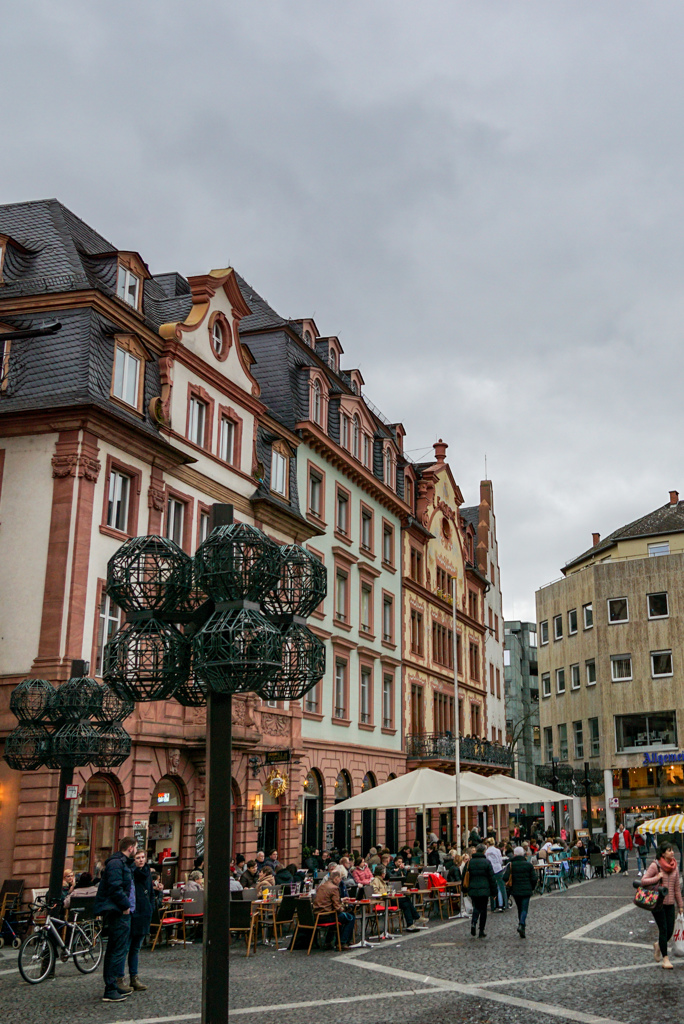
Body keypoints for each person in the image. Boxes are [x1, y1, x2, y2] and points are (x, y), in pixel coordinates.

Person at [94, 836, 137, 1003]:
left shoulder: (122, 863)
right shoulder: (116, 863)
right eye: (136, 847)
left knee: (117, 949)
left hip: (119, 910)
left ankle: (113, 986)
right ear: (131, 847)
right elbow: (115, 887)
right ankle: (110, 988)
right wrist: (125, 905)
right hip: (117, 911)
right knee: (115, 950)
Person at [641, 841, 684, 969]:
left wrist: (680, 906)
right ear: (663, 853)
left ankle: (658, 945)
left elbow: (677, 888)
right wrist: (657, 877)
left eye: (672, 850)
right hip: (658, 903)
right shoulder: (656, 866)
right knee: (663, 929)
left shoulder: (674, 867)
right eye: (669, 850)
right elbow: (644, 881)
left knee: (670, 930)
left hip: (670, 903)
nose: (672, 852)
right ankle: (666, 959)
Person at [121, 849, 154, 992]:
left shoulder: (147, 872)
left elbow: (151, 892)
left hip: (144, 913)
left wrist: (151, 907)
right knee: (126, 948)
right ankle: (121, 978)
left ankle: (134, 977)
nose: (141, 860)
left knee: (135, 948)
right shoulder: (130, 872)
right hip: (133, 913)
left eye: (143, 857)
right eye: (138, 857)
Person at [371, 865, 423, 931]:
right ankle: (416, 917)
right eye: (384, 872)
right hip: (383, 901)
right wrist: (384, 895)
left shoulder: (381, 880)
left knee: (405, 904)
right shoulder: (376, 880)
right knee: (406, 899)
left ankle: (410, 925)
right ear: (381, 873)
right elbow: (375, 892)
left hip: (388, 899)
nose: (385, 873)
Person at [312, 868, 355, 949]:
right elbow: (337, 907)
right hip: (327, 916)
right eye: (340, 878)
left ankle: (329, 941)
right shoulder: (334, 888)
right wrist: (345, 908)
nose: (340, 881)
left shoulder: (322, 886)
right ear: (336, 879)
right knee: (350, 917)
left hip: (317, 915)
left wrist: (341, 900)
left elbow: (327, 900)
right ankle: (343, 942)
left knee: (342, 917)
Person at [504, 846, 536, 938]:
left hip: (515, 890)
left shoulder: (511, 865)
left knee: (519, 908)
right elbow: (534, 878)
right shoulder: (528, 865)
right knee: (524, 908)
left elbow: (505, 877)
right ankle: (522, 924)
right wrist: (532, 887)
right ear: (523, 854)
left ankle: (521, 926)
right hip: (526, 890)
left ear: (514, 854)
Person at [466, 844, 496, 939]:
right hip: (484, 889)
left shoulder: (470, 862)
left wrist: (466, 889)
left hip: (473, 888)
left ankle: (474, 923)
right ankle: (481, 930)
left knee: (476, 907)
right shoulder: (486, 862)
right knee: (483, 910)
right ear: (483, 852)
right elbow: (492, 878)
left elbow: (465, 876)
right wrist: (494, 891)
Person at [485, 839, 506, 912]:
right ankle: (502, 904)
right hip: (498, 869)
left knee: (492, 887)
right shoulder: (497, 850)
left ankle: (493, 905)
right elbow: (500, 860)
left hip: (491, 870)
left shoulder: (487, 852)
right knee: (500, 887)